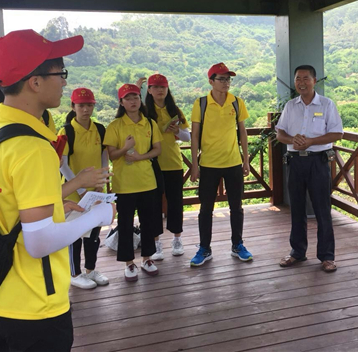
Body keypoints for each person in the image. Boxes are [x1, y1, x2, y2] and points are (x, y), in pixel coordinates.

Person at [0, 29, 115, 352]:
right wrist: (98, 215)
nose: (65, 82)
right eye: (60, 73)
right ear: (35, 82)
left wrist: (55, 204)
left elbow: (7, 206)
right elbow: (39, 242)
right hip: (35, 303)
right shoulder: (32, 147)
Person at [275, 65, 343, 273]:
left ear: (314, 81)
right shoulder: (290, 106)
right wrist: (292, 140)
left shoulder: (326, 104)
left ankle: (327, 256)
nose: (301, 83)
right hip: (295, 162)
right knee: (296, 208)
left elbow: (337, 133)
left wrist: (311, 141)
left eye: (306, 78)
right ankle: (297, 252)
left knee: (322, 209)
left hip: (318, 162)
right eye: (298, 79)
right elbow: (280, 133)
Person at [190, 63, 252, 266]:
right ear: (211, 81)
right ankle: (204, 248)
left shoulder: (237, 102)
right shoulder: (201, 103)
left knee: (237, 207)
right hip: (208, 163)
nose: (226, 83)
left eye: (228, 79)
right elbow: (195, 135)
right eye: (222, 79)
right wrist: (194, 164)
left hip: (233, 162)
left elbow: (242, 132)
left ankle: (238, 245)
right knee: (206, 208)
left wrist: (246, 159)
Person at [104, 84, 162, 282]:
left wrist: (139, 157)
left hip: (147, 181)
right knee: (125, 224)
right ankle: (129, 262)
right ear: (121, 102)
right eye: (128, 98)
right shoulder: (115, 126)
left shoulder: (150, 123)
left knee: (148, 222)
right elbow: (112, 155)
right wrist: (125, 148)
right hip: (124, 184)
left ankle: (147, 258)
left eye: (135, 97)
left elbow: (157, 149)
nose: (133, 101)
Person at [58, 88, 110, 290]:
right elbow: (62, 164)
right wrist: (80, 188)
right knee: (75, 234)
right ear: (73, 107)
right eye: (81, 106)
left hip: (95, 191)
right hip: (74, 193)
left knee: (94, 233)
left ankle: (91, 270)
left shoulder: (100, 129)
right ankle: (74, 273)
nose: (86, 109)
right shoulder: (67, 132)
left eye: (89, 105)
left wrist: (101, 180)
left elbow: (104, 155)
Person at [142, 74, 190, 259]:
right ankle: (156, 243)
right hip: (151, 164)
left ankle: (177, 239)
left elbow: (187, 136)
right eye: (155, 87)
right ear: (149, 90)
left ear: (167, 89)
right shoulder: (145, 111)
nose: (160, 90)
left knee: (176, 203)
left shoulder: (174, 110)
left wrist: (177, 130)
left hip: (173, 162)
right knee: (153, 205)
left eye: (163, 86)